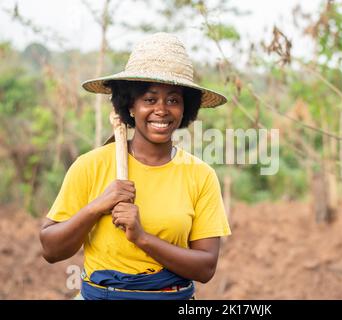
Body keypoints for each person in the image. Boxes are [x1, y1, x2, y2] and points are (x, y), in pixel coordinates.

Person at [39, 33, 231, 300]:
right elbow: (50, 249)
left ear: (185, 108)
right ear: (130, 105)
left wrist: (142, 238)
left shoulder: (200, 176)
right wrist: (98, 206)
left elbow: (206, 266)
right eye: (150, 100)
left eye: (173, 100)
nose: (162, 110)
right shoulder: (90, 166)